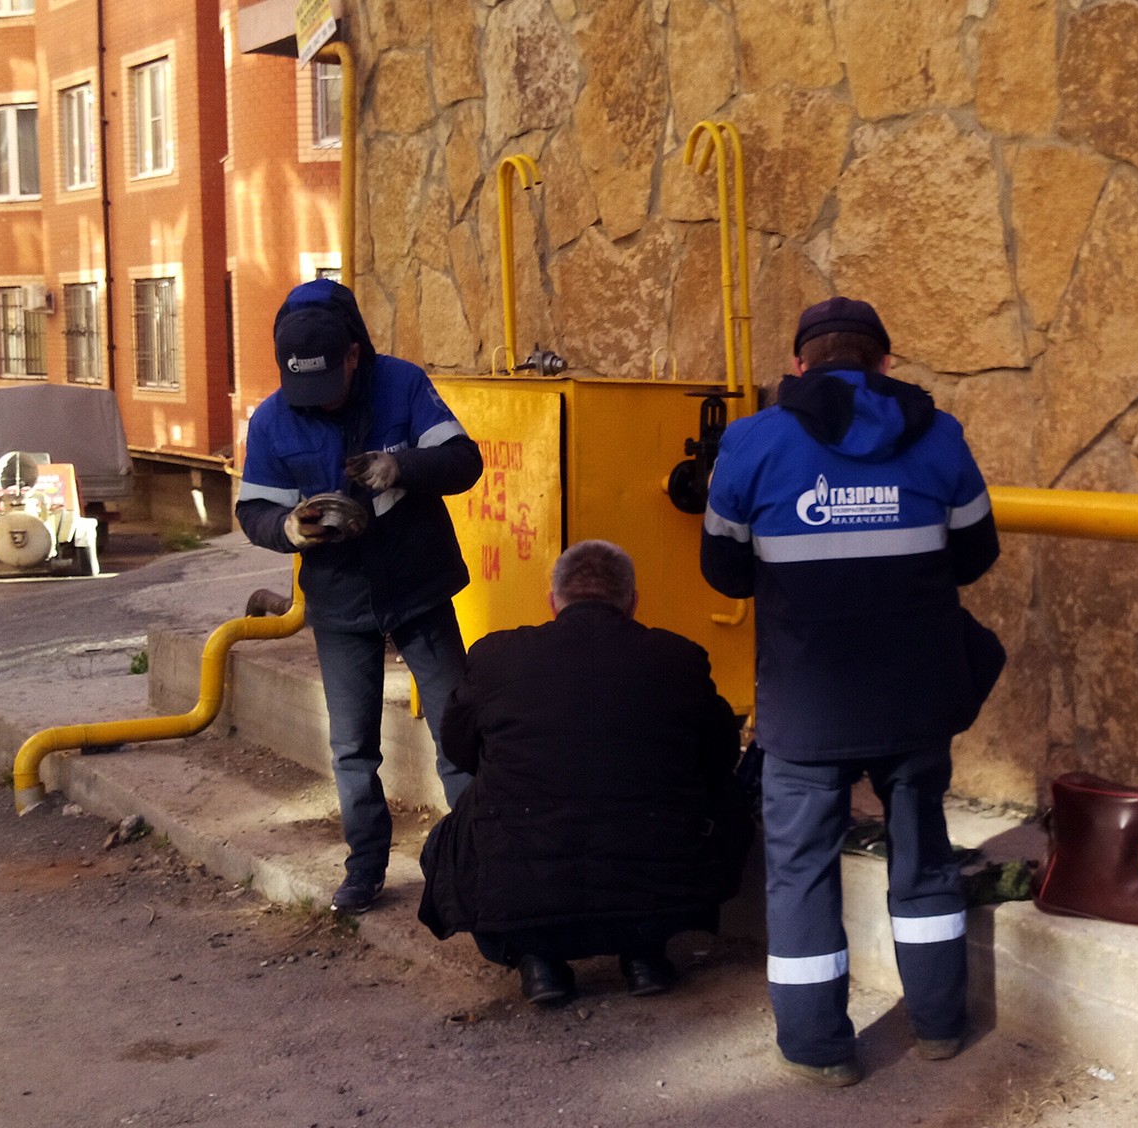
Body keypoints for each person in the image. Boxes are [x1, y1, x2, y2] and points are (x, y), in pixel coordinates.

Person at [700, 297, 1004, 1087]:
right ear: (885, 363)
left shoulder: (752, 441)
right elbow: (976, 553)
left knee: (801, 868)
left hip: (806, 708)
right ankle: (940, 1026)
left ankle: (818, 1048)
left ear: (799, 365)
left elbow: (724, 570)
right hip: (914, 700)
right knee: (923, 854)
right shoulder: (939, 435)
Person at [235, 279, 483, 915]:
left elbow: (464, 462)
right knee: (352, 748)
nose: (319, 401)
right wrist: (289, 529)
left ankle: (482, 864)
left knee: (456, 730)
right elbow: (254, 508)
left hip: (419, 585)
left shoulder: (402, 385)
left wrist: (402, 466)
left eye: (331, 382)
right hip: (339, 599)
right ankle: (366, 867)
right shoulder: (273, 418)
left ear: (353, 354)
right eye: (304, 389)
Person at [418, 541, 748, 1006]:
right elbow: (720, 757)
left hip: (521, 900)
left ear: (553, 602)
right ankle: (645, 955)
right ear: (632, 602)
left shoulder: (496, 657)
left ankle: (538, 963)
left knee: (465, 817)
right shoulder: (678, 658)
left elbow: (459, 750)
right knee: (725, 796)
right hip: (659, 899)